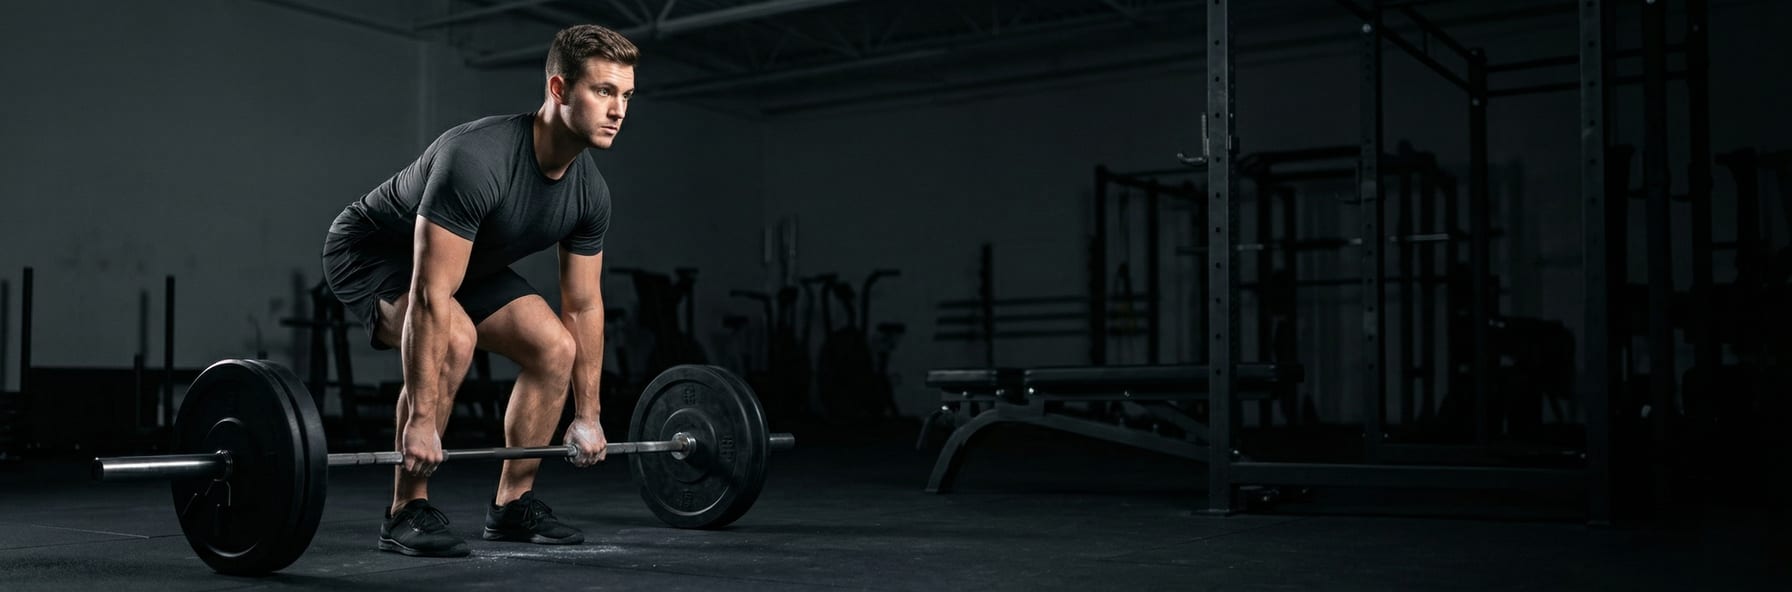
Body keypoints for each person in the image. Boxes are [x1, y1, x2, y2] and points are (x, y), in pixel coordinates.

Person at [320, 24, 636, 557]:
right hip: (373, 252)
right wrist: (420, 421)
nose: (618, 109)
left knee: (555, 348)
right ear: (559, 90)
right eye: (603, 91)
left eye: (626, 95)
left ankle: (513, 505)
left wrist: (590, 414)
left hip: (469, 264)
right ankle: (406, 509)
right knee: (456, 337)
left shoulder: (589, 193)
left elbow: (582, 306)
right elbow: (429, 296)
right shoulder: (478, 158)